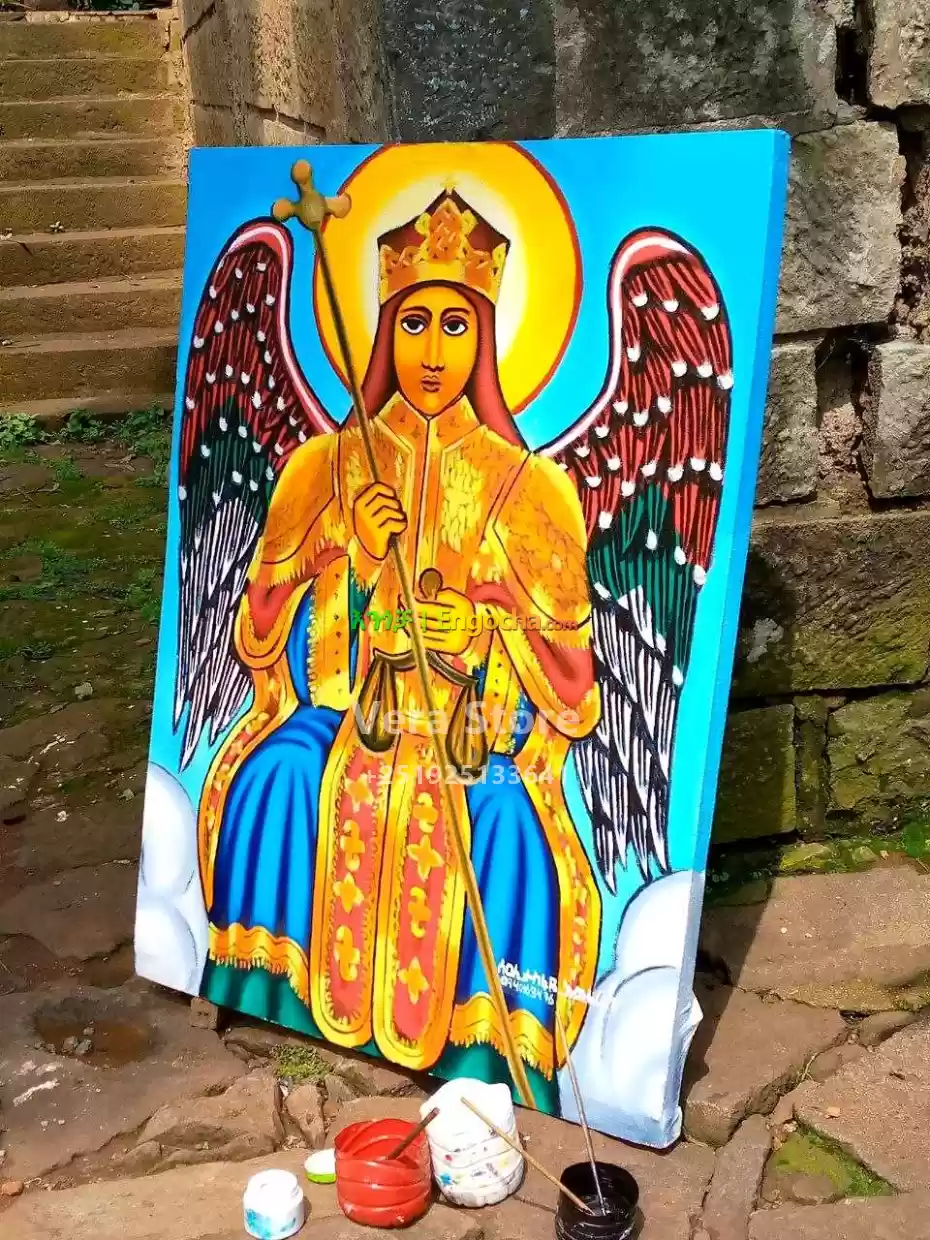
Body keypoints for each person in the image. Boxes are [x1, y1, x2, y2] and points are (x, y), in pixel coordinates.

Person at [198, 190, 602, 1107]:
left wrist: (491, 622)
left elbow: (577, 687)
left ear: (487, 338)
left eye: (455, 326)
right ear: (384, 330)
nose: (432, 352)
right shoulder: (325, 465)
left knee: (505, 825)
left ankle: (485, 1051)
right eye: (414, 323)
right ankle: (272, 995)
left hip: (471, 735)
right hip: (347, 715)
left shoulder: (532, 489)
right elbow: (253, 626)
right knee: (281, 776)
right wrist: (337, 544)